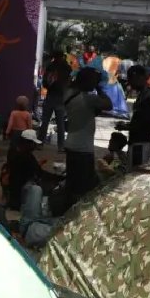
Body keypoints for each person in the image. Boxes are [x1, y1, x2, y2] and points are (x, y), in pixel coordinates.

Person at [64, 67, 112, 204]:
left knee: (72, 183)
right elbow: (109, 104)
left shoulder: (69, 93)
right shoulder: (88, 98)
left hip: (71, 144)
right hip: (83, 149)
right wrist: (99, 88)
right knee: (83, 189)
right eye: (94, 81)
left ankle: (67, 210)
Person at [115, 65, 150, 169]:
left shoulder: (149, 96)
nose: (131, 84)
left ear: (140, 77)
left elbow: (145, 121)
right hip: (138, 142)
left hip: (142, 143)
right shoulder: (144, 94)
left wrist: (127, 127)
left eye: (132, 80)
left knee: (135, 174)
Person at [2, 130, 43, 211]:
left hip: (13, 185)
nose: (34, 146)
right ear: (27, 143)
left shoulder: (13, 151)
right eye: (33, 143)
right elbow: (37, 171)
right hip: (20, 187)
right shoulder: (27, 157)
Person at [38, 51, 71, 152]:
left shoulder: (50, 67)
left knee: (45, 122)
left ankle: (40, 143)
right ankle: (60, 147)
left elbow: (45, 83)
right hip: (61, 98)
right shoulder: (67, 68)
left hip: (50, 97)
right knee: (60, 123)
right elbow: (69, 83)